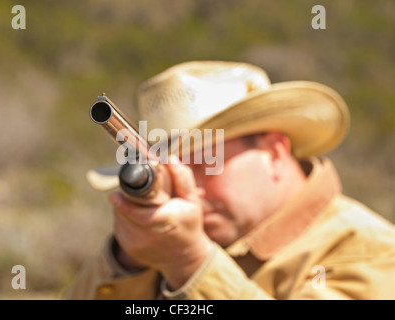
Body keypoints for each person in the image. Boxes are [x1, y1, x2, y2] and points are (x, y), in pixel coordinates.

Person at [64, 61, 395, 299]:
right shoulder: (173, 245)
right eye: (166, 173)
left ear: (275, 152)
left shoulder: (375, 253)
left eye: (204, 162)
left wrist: (190, 264)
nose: (185, 189)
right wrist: (127, 265)